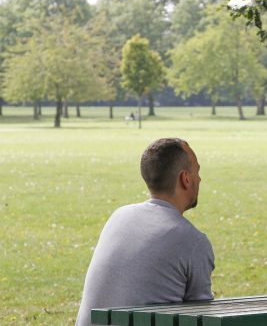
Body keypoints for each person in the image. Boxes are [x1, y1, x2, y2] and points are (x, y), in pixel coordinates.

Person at [76, 138, 214, 326]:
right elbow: (202, 320)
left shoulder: (119, 216)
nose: (200, 179)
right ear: (186, 179)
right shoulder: (193, 241)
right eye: (197, 171)